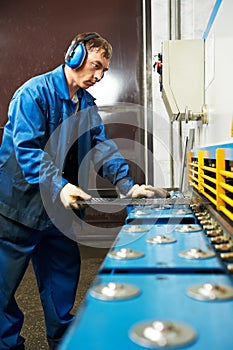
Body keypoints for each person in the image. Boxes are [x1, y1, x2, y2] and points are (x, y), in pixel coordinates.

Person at [0, 32, 169, 350]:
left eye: (104, 69)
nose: (99, 76)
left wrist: (127, 186)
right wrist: (60, 185)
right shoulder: (33, 94)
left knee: (61, 282)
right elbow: (27, 151)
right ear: (74, 56)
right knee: (2, 290)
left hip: (58, 212)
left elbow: (102, 148)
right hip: (18, 208)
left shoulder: (87, 106)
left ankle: (63, 341)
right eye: (95, 66)